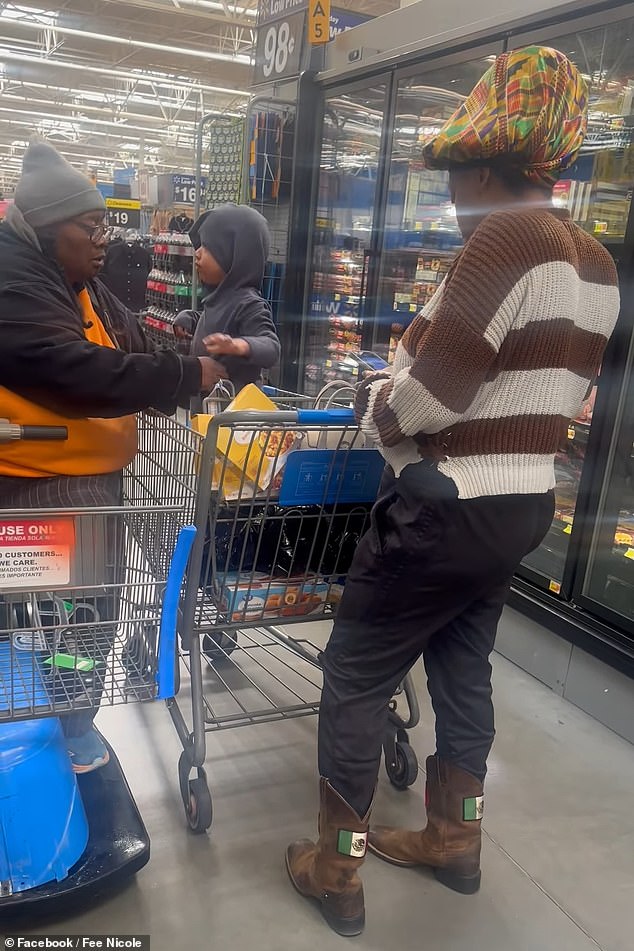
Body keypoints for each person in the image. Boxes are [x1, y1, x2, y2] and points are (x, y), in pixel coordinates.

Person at [286, 46, 621, 936]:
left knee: (356, 677)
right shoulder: (595, 260)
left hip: (443, 502)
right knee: (464, 669)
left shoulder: (501, 240)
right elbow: (542, 390)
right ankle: (455, 836)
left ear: (481, 165)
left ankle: (338, 867)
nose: (449, 194)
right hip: (519, 509)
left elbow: (430, 397)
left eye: (453, 174)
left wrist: (378, 404)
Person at [0, 140, 227, 772]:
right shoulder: (15, 281)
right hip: (41, 490)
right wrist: (180, 376)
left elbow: (127, 337)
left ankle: (66, 720)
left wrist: (183, 353)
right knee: (74, 615)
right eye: (91, 227)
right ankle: (62, 730)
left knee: (75, 616)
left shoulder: (75, 278)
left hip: (77, 486)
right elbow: (70, 371)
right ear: (45, 227)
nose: (105, 240)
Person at [173, 203, 280, 407]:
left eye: (208, 246)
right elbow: (215, 321)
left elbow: (271, 346)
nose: (197, 253)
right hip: (209, 412)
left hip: (235, 423)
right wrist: (189, 318)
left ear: (233, 255)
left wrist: (238, 345)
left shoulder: (249, 303)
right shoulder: (219, 297)